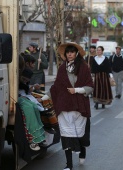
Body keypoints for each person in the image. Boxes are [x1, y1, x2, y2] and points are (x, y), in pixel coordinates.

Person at [40, 42, 94, 170]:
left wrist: (76, 90)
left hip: (79, 106)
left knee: (80, 133)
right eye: (68, 52)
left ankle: (82, 150)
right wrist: (44, 97)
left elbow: (90, 87)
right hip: (64, 106)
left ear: (76, 54)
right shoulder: (61, 68)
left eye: (72, 52)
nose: (69, 54)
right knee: (66, 134)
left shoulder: (84, 67)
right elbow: (56, 87)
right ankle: (68, 165)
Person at [18, 68, 46, 151]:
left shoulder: (25, 84)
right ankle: (32, 140)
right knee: (29, 108)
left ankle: (39, 137)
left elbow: (27, 90)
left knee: (34, 106)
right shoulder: (17, 81)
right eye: (24, 79)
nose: (25, 81)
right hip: (19, 99)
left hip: (25, 98)